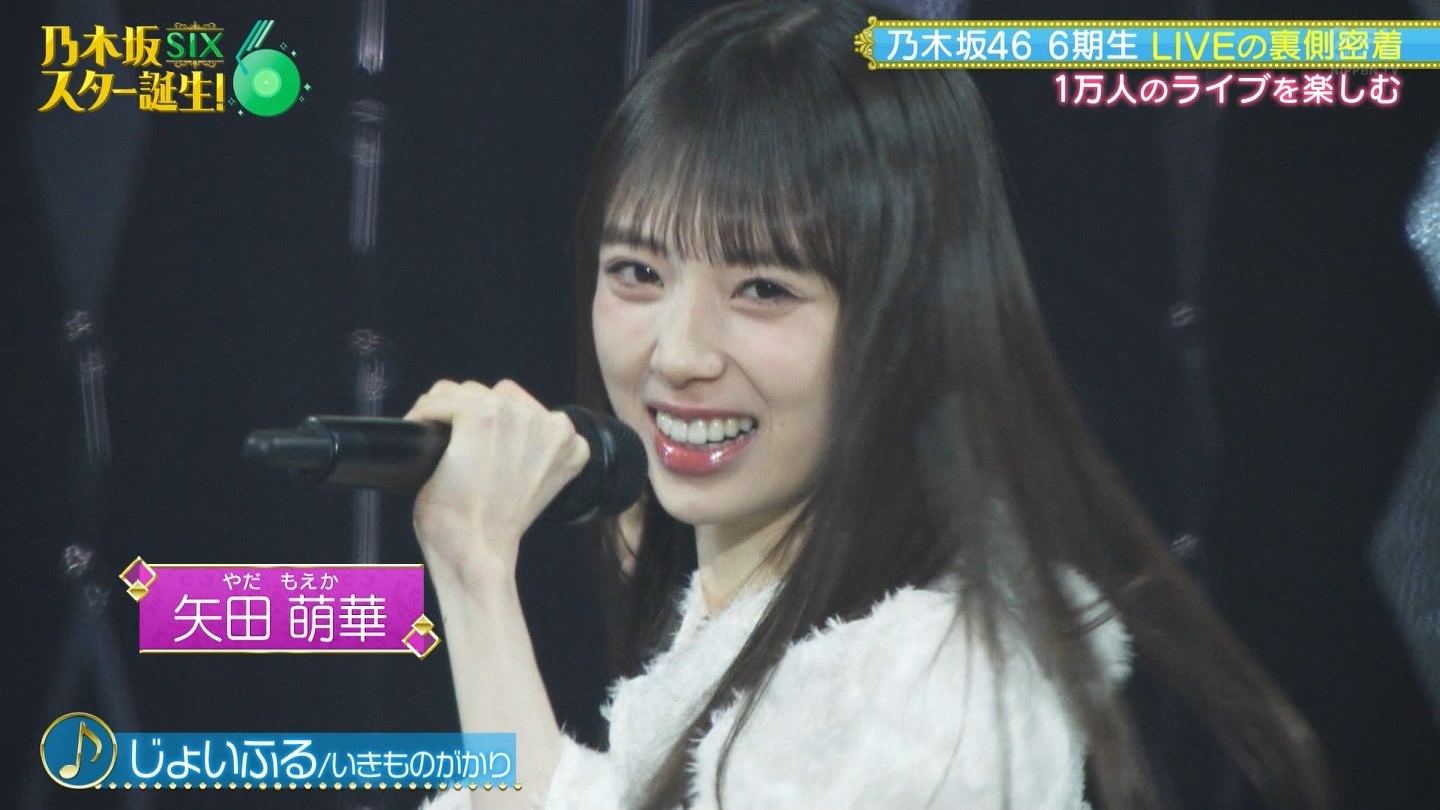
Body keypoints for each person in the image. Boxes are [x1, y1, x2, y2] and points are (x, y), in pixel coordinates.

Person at [409, 1, 1330, 808]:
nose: (679, 355)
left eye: (763, 288)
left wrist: (475, 575)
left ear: (910, 316)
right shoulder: (756, 630)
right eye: (638, 273)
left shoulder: (935, 698)